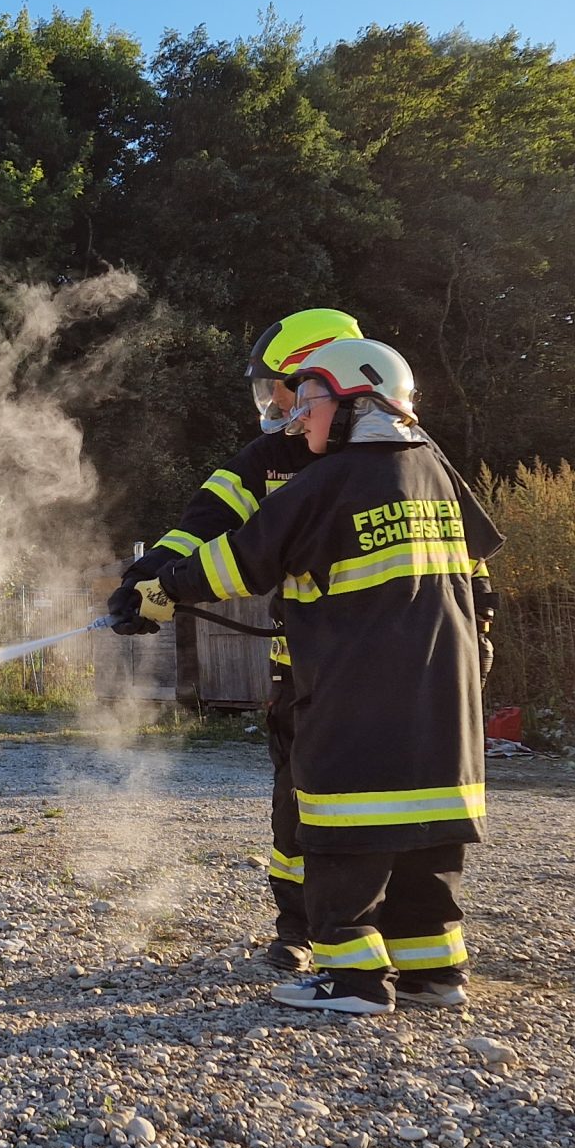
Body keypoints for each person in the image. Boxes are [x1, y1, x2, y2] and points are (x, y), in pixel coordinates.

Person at [138, 339, 502, 1016]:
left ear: (359, 398)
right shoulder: (440, 472)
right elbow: (480, 574)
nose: (298, 418)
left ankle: (352, 979)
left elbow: (239, 562)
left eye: (309, 402)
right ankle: (434, 974)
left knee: (342, 830)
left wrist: (161, 591)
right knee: (428, 832)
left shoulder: (327, 484)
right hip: (443, 696)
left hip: (357, 690)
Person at [108, 306, 361, 973]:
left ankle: (389, 940)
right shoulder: (269, 460)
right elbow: (203, 525)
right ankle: (300, 932)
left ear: (320, 376)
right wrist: (143, 579)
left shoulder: (394, 456)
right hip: (301, 674)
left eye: (282, 384)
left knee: (387, 808)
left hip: (390, 672)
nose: (277, 402)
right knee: (296, 811)